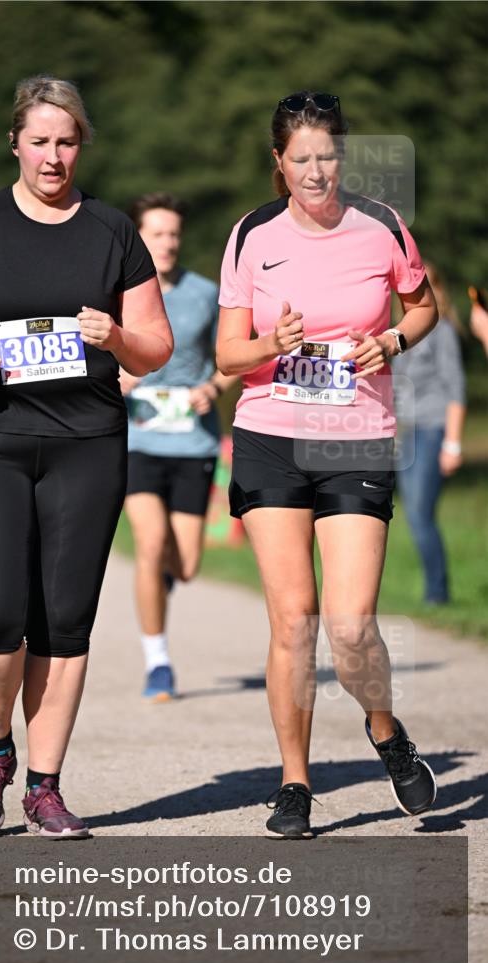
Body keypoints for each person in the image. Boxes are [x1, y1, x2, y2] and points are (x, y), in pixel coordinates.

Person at [0, 76, 172, 838]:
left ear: (81, 145)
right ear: (15, 143)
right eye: (40, 141)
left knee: (63, 620)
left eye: (67, 141)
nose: (53, 156)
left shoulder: (113, 232)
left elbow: (155, 347)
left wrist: (115, 337)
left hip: (85, 443)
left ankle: (45, 787)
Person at [216, 91, 439, 838]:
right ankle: (294, 784)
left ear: (341, 156)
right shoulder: (250, 234)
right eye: (300, 158)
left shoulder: (381, 226)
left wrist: (394, 344)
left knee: (347, 626)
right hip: (271, 434)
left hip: (355, 437)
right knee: (293, 622)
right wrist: (270, 344)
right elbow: (226, 354)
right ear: (278, 163)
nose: (316, 171)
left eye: (327, 155)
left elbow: (423, 307)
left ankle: (383, 728)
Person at [120, 193, 236, 701]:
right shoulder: (115, 293)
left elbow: (232, 356)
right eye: (156, 234)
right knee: (149, 545)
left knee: (185, 565)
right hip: (136, 441)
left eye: (173, 234)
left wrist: (212, 388)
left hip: (193, 442)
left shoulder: (206, 292)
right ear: (138, 238)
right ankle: (158, 663)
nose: (167, 243)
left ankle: (160, 582)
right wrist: (114, 378)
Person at [392, 263, 466, 604]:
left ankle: (438, 594)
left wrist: (452, 444)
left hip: (432, 429)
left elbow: (456, 389)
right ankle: (433, 591)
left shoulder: (443, 331)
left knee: (422, 513)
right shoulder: (397, 334)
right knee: (412, 514)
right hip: (405, 432)